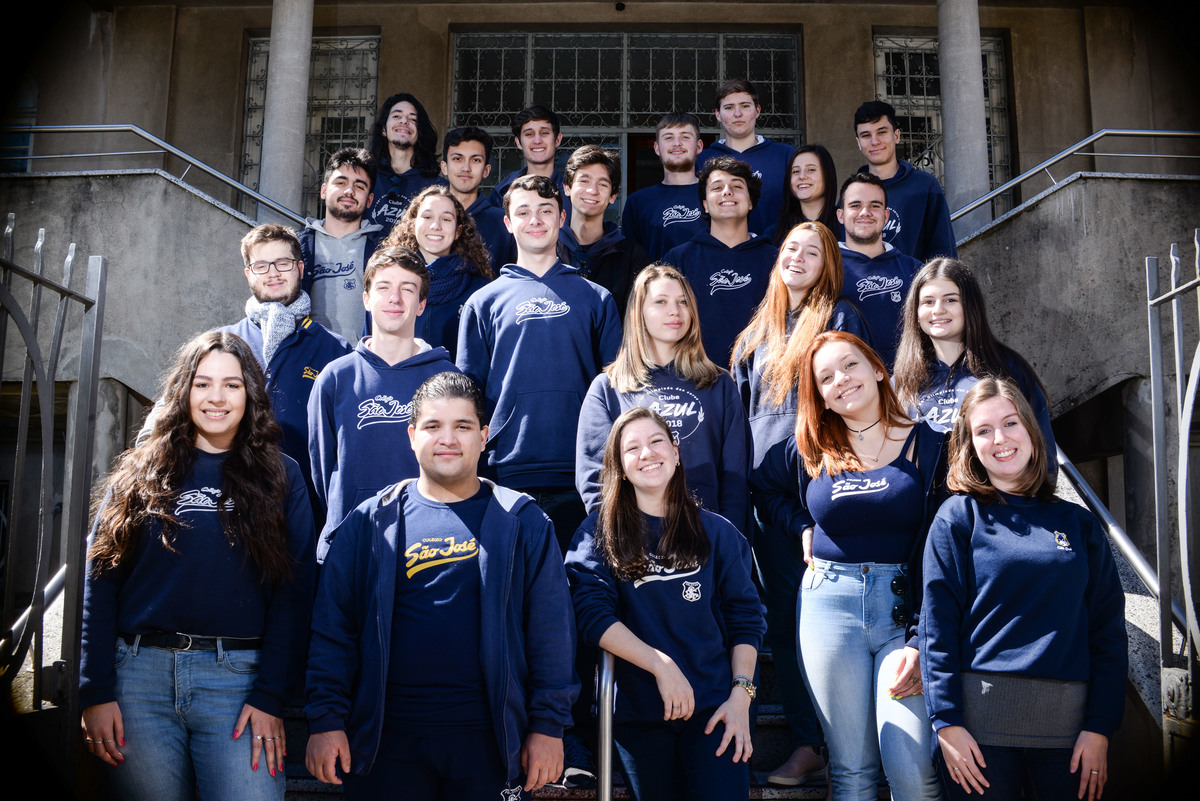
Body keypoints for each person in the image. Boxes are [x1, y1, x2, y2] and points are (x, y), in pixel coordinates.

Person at [305, 371, 578, 799]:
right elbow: (333, 628)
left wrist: (548, 725)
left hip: (490, 745)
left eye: (462, 426)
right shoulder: (370, 521)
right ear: (412, 435)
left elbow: (551, 633)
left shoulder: (522, 521)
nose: (447, 439)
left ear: (484, 437)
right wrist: (325, 718)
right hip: (386, 744)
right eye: (433, 425)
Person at [79, 331, 316, 801]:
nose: (216, 398)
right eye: (202, 383)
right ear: (183, 390)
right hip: (138, 682)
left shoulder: (282, 475)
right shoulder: (140, 472)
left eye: (231, 385)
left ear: (250, 393)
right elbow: (99, 583)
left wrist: (271, 695)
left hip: (238, 682)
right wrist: (95, 690)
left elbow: (294, 593)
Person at [756, 330, 945, 801]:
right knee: (851, 771)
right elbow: (764, 489)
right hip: (829, 607)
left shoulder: (930, 445)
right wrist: (800, 524)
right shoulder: (810, 448)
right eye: (825, 378)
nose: (840, 379)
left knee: (911, 767)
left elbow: (945, 546)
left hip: (904, 612)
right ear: (819, 396)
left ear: (878, 369)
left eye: (850, 365)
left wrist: (922, 637)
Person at [921, 378, 1126, 801]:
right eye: (984, 430)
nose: (1000, 439)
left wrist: (1101, 727)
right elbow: (936, 628)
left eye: (1010, 423)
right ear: (970, 446)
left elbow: (1107, 630)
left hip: (1071, 741)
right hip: (978, 738)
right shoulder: (957, 518)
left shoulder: (1078, 524)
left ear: (1032, 430)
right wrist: (946, 723)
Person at [730, 220, 870, 786]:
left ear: (828, 264)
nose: (798, 257)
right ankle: (809, 742)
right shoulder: (754, 335)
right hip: (768, 502)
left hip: (827, 492)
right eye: (791, 248)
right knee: (785, 625)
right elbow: (739, 424)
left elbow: (854, 404)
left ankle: (849, 750)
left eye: (813, 251)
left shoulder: (840, 319)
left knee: (835, 628)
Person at [565, 407, 766, 801]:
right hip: (640, 715)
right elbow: (590, 614)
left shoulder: (718, 532)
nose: (647, 453)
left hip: (716, 710)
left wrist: (741, 697)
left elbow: (746, 619)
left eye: (656, 441)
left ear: (675, 451)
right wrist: (661, 665)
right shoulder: (598, 532)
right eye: (632, 448)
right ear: (621, 467)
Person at [457, 174, 622, 549]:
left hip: (582, 474)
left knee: (579, 581)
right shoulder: (483, 303)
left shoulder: (596, 299)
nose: (535, 220)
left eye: (546, 211)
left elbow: (616, 391)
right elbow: (468, 397)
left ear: (562, 218)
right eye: (523, 212)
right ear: (507, 222)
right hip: (504, 471)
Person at [576, 264, 752, 537]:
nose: (675, 311)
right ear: (639, 312)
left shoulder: (719, 384)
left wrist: (727, 540)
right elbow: (595, 478)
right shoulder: (609, 388)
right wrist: (621, 538)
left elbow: (736, 477)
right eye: (661, 302)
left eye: (683, 302)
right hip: (635, 538)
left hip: (705, 535)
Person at [308, 247, 458, 563]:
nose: (395, 298)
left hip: (426, 547)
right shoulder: (335, 378)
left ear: (422, 305)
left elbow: (457, 466)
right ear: (366, 299)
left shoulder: (448, 379)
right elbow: (323, 473)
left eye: (408, 289)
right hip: (350, 545)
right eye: (384, 287)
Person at [892, 258, 1056, 467]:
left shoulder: (1008, 369)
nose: (938, 310)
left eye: (950, 300)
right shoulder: (901, 382)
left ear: (970, 306)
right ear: (915, 312)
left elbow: (1043, 452)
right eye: (928, 302)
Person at [662, 156, 778, 365]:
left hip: (760, 377)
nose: (727, 192)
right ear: (705, 205)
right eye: (717, 187)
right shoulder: (679, 259)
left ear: (750, 202)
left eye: (737, 186)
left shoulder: (776, 260)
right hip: (695, 375)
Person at [380, 184, 493, 359]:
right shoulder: (385, 283)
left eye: (446, 219)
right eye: (427, 217)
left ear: (458, 231)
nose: (436, 225)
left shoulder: (480, 290)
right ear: (413, 224)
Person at [837, 171, 922, 370]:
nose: (865, 212)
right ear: (841, 215)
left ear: (886, 216)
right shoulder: (825, 269)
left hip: (908, 380)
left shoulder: (915, 270)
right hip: (848, 381)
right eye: (855, 205)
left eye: (874, 206)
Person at [299, 147, 385, 342]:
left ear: (369, 200)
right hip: (310, 357)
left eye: (359, 186)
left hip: (362, 357)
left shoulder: (382, 250)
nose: (349, 191)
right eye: (341, 182)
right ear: (323, 190)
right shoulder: (297, 247)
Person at [853, 100, 957, 262]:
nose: (874, 141)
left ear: (896, 136)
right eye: (866, 135)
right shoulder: (852, 192)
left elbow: (943, 253)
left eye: (882, 132)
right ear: (859, 142)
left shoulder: (925, 186)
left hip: (914, 278)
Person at [557, 145, 651, 315]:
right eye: (584, 181)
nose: (592, 191)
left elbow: (635, 319)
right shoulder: (548, 249)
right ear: (567, 187)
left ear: (613, 196)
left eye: (602, 184)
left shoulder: (632, 257)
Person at [695, 79, 795, 236]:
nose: (737, 114)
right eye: (729, 107)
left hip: (778, 248)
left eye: (745, 106)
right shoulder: (702, 160)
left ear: (757, 110)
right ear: (718, 114)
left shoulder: (785, 155)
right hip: (720, 248)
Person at [620, 112, 708, 261]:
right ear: (657, 148)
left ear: (699, 146)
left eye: (685, 137)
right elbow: (629, 260)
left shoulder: (715, 196)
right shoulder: (638, 202)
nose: (677, 143)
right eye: (668, 137)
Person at [366, 92, 446, 233]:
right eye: (396, 116)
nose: (404, 121)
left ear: (419, 132)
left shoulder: (437, 188)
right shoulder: (365, 178)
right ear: (383, 129)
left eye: (413, 119)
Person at [440, 125, 515, 270]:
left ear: (486, 170)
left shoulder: (504, 224)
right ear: (444, 167)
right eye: (457, 159)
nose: (466, 168)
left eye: (475, 160)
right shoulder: (427, 218)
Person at [488, 105, 570, 220]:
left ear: (557, 139)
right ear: (518, 142)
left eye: (544, 133)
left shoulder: (572, 192)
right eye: (529, 134)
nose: (537, 141)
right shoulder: (503, 191)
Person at [767, 144, 841, 244]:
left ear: (827, 175)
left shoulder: (846, 226)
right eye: (796, 171)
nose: (802, 176)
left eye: (810, 170)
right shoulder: (774, 234)